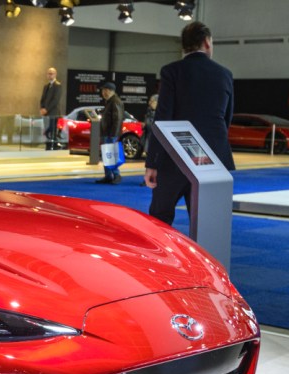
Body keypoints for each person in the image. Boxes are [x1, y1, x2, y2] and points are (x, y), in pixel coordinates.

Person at [144, 21, 235, 224]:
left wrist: (152, 163)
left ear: (184, 46)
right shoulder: (225, 75)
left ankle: (162, 256)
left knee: (161, 216)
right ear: (207, 42)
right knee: (208, 222)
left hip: (175, 157)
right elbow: (226, 118)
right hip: (212, 160)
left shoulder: (171, 72)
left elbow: (162, 119)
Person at [96, 81, 124, 184]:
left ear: (110, 91)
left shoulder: (115, 101)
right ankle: (108, 175)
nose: (103, 92)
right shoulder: (110, 101)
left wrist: (114, 135)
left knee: (111, 154)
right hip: (107, 133)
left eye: (104, 90)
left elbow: (118, 119)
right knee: (106, 154)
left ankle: (116, 175)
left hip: (111, 134)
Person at [40, 67, 63, 150]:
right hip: (45, 113)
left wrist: (47, 109)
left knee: (52, 130)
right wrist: (42, 108)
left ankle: (54, 146)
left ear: (55, 74)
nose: (49, 75)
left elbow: (55, 100)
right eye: (48, 74)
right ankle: (48, 145)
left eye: (51, 73)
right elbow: (42, 99)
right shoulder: (46, 86)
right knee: (46, 130)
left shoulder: (58, 85)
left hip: (53, 113)